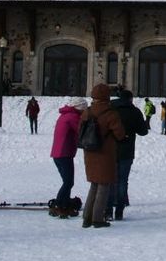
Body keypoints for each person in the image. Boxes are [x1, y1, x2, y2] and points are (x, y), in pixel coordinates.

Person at [80, 84, 127, 228]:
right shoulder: (110, 113)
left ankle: (87, 217)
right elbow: (119, 133)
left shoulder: (87, 112)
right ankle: (97, 218)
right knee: (104, 185)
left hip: (89, 152)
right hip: (105, 153)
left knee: (94, 184)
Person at [108, 88, 148, 221]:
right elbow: (143, 131)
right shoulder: (134, 111)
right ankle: (119, 211)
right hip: (127, 150)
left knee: (109, 180)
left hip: (110, 149)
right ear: (130, 99)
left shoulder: (110, 109)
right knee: (122, 181)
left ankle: (108, 210)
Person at [50, 99, 82, 218]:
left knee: (67, 182)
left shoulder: (65, 115)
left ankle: (64, 204)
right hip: (64, 153)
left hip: (59, 153)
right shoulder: (73, 117)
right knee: (68, 182)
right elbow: (81, 130)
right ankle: (59, 205)